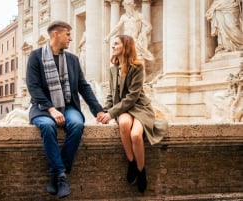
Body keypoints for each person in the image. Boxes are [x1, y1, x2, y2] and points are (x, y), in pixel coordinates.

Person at [26, 21, 104, 198]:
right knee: (47, 126)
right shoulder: (35, 56)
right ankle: (61, 175)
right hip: (42, 108)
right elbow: (33, 86)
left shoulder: (72, 59)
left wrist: (98, 110)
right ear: (55, 34)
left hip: (68, 106)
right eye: (67, 34)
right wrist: (51, 109)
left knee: (77, 124)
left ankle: (58, 173)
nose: (70, 38)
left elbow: (83, 87)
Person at [97, 35, 160, 193]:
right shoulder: (112, 69)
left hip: (139, 107)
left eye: (116, 43)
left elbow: (133, 96)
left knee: (136, 136)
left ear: (125, 46)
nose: (113, 46)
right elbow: (111, 95)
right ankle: (131, 162)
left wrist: (111, 113)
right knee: (124, 124)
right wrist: (104, 111)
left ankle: (141, 170)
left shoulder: (137, 66)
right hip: (123, 109)